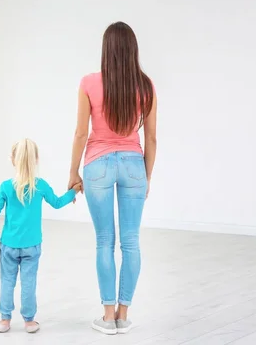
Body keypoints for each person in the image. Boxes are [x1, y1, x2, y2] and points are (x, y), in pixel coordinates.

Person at [68, 22, 157, 335]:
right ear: (133, 49)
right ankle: (123, 313)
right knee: (131, 242)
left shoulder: (89, 82)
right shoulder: (145, 86)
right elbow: (152, 139)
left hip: (98, 165)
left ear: (106, 49)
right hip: (134, 164)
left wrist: (72, 171)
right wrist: (146, 176)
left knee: (105, 241)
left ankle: (107, 317)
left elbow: (81, 132)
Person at [0, 139, 82, 334]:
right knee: (29, 281)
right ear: (36, 160)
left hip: (8, 244)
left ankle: (4, 320)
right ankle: (29, 321)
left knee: (7, 280)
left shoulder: (6, 186)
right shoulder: (40, 186)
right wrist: (73, 192)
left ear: (13, 160)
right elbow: (58, 203)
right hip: (32, 245)